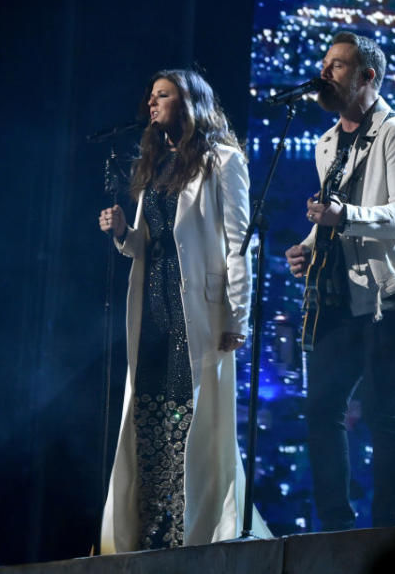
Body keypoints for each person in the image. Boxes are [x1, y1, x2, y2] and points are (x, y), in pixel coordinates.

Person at [98, 69, 269, 552]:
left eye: (163, 95)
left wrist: (238, 318)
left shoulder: (222, 161)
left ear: (189, 103)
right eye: (150, 95)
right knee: (150, 416)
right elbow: (142, 244)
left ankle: (192, 533)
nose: (151, 103)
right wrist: (119, 233)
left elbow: (239, 243)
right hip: (153, 311)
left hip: (199, 313)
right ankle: (152, 530)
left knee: (192, 420)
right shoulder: (154, 164)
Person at [284, 31, 395, 531]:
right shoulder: (326, 142)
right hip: (348, 294)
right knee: (322, 406)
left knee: (380, 410)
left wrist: (343, 216)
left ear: (367, 77)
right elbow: (331, 213)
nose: (325, 72)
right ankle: (335, 527)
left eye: (337, 66)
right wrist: (307, 248)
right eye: (325, 63)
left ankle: (384, 530)